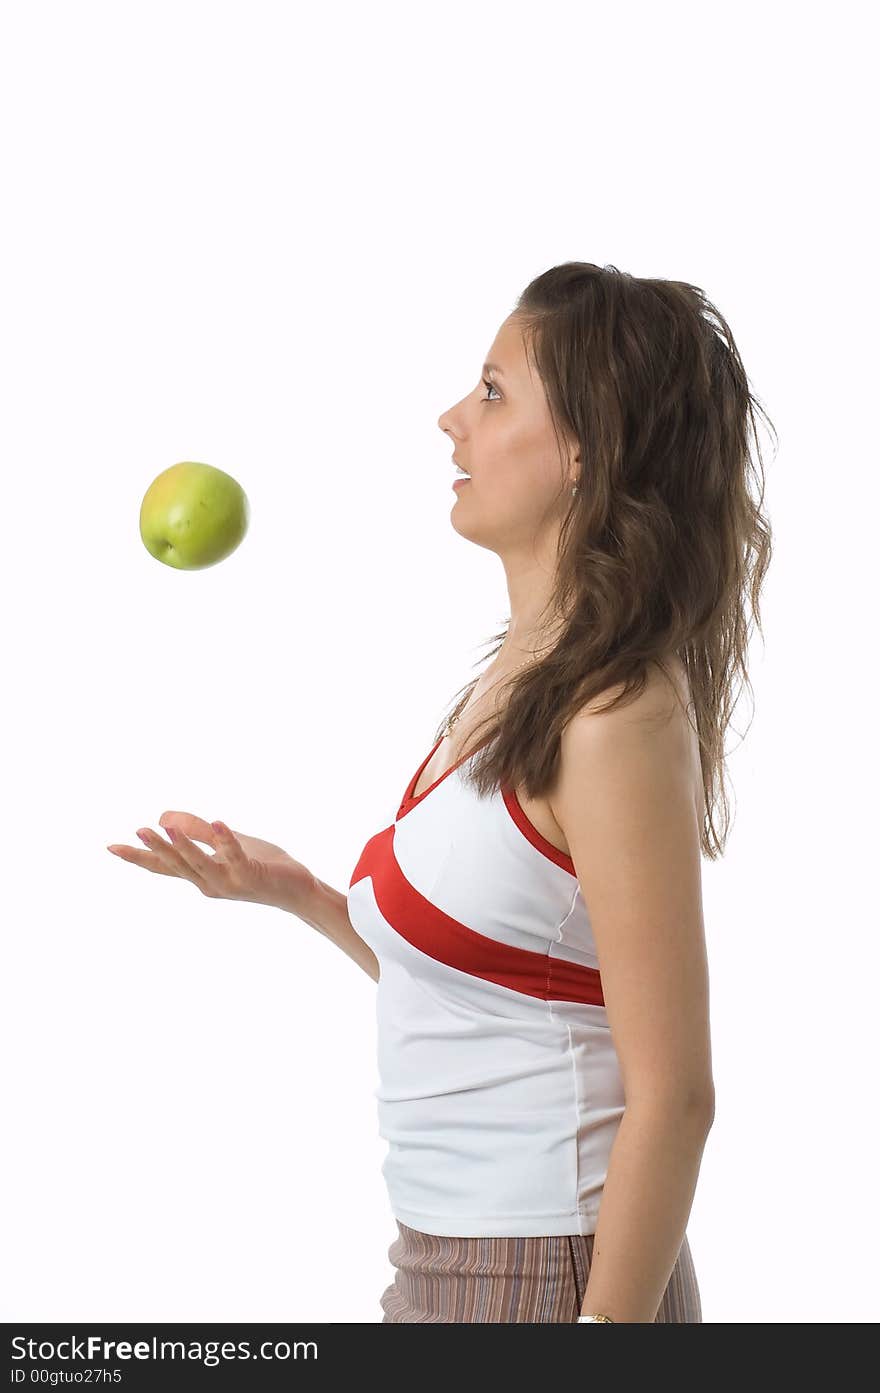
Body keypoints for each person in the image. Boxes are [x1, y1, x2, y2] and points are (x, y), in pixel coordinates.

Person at [107, 260, 774, 1323]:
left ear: (582, 455)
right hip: (448, 1261)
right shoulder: (517, 674)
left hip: (547, 1276)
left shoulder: (611, 718)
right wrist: (301, 894)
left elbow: (676, 1097)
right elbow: (490, 993)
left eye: (494, 391)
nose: (450, 418)